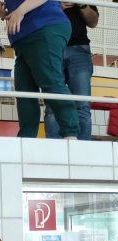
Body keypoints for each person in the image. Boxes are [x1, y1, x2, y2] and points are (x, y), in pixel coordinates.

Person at [0, 0, 78, 139]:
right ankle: (26, 138)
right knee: (25, 91)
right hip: (23, 37)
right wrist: (2, 12)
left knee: (50, 79)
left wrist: (19, 12)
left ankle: (70, 133)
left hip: (44, 26)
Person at [44, 3, 98, 141]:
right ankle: (55, 153)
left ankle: (82, 154)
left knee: (83, 106)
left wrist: (82, 5)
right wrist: (56, 7)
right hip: (52, 47)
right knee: (52, 106)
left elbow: (93, 22)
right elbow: (36, 16)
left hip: (79, 49)